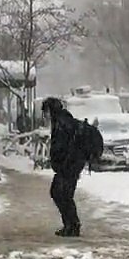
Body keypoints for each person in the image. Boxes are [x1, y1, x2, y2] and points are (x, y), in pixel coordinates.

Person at [41, 96, 92, 237]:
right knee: (62, 194)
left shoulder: (63, 123)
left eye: (46, 111)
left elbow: (63, 146)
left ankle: (72, 226)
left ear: (52, 110)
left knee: (61, 194)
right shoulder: (62, 121)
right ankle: (70, 225)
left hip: (69, 165)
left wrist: (62, 162)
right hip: (69, 165)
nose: (45, 115)